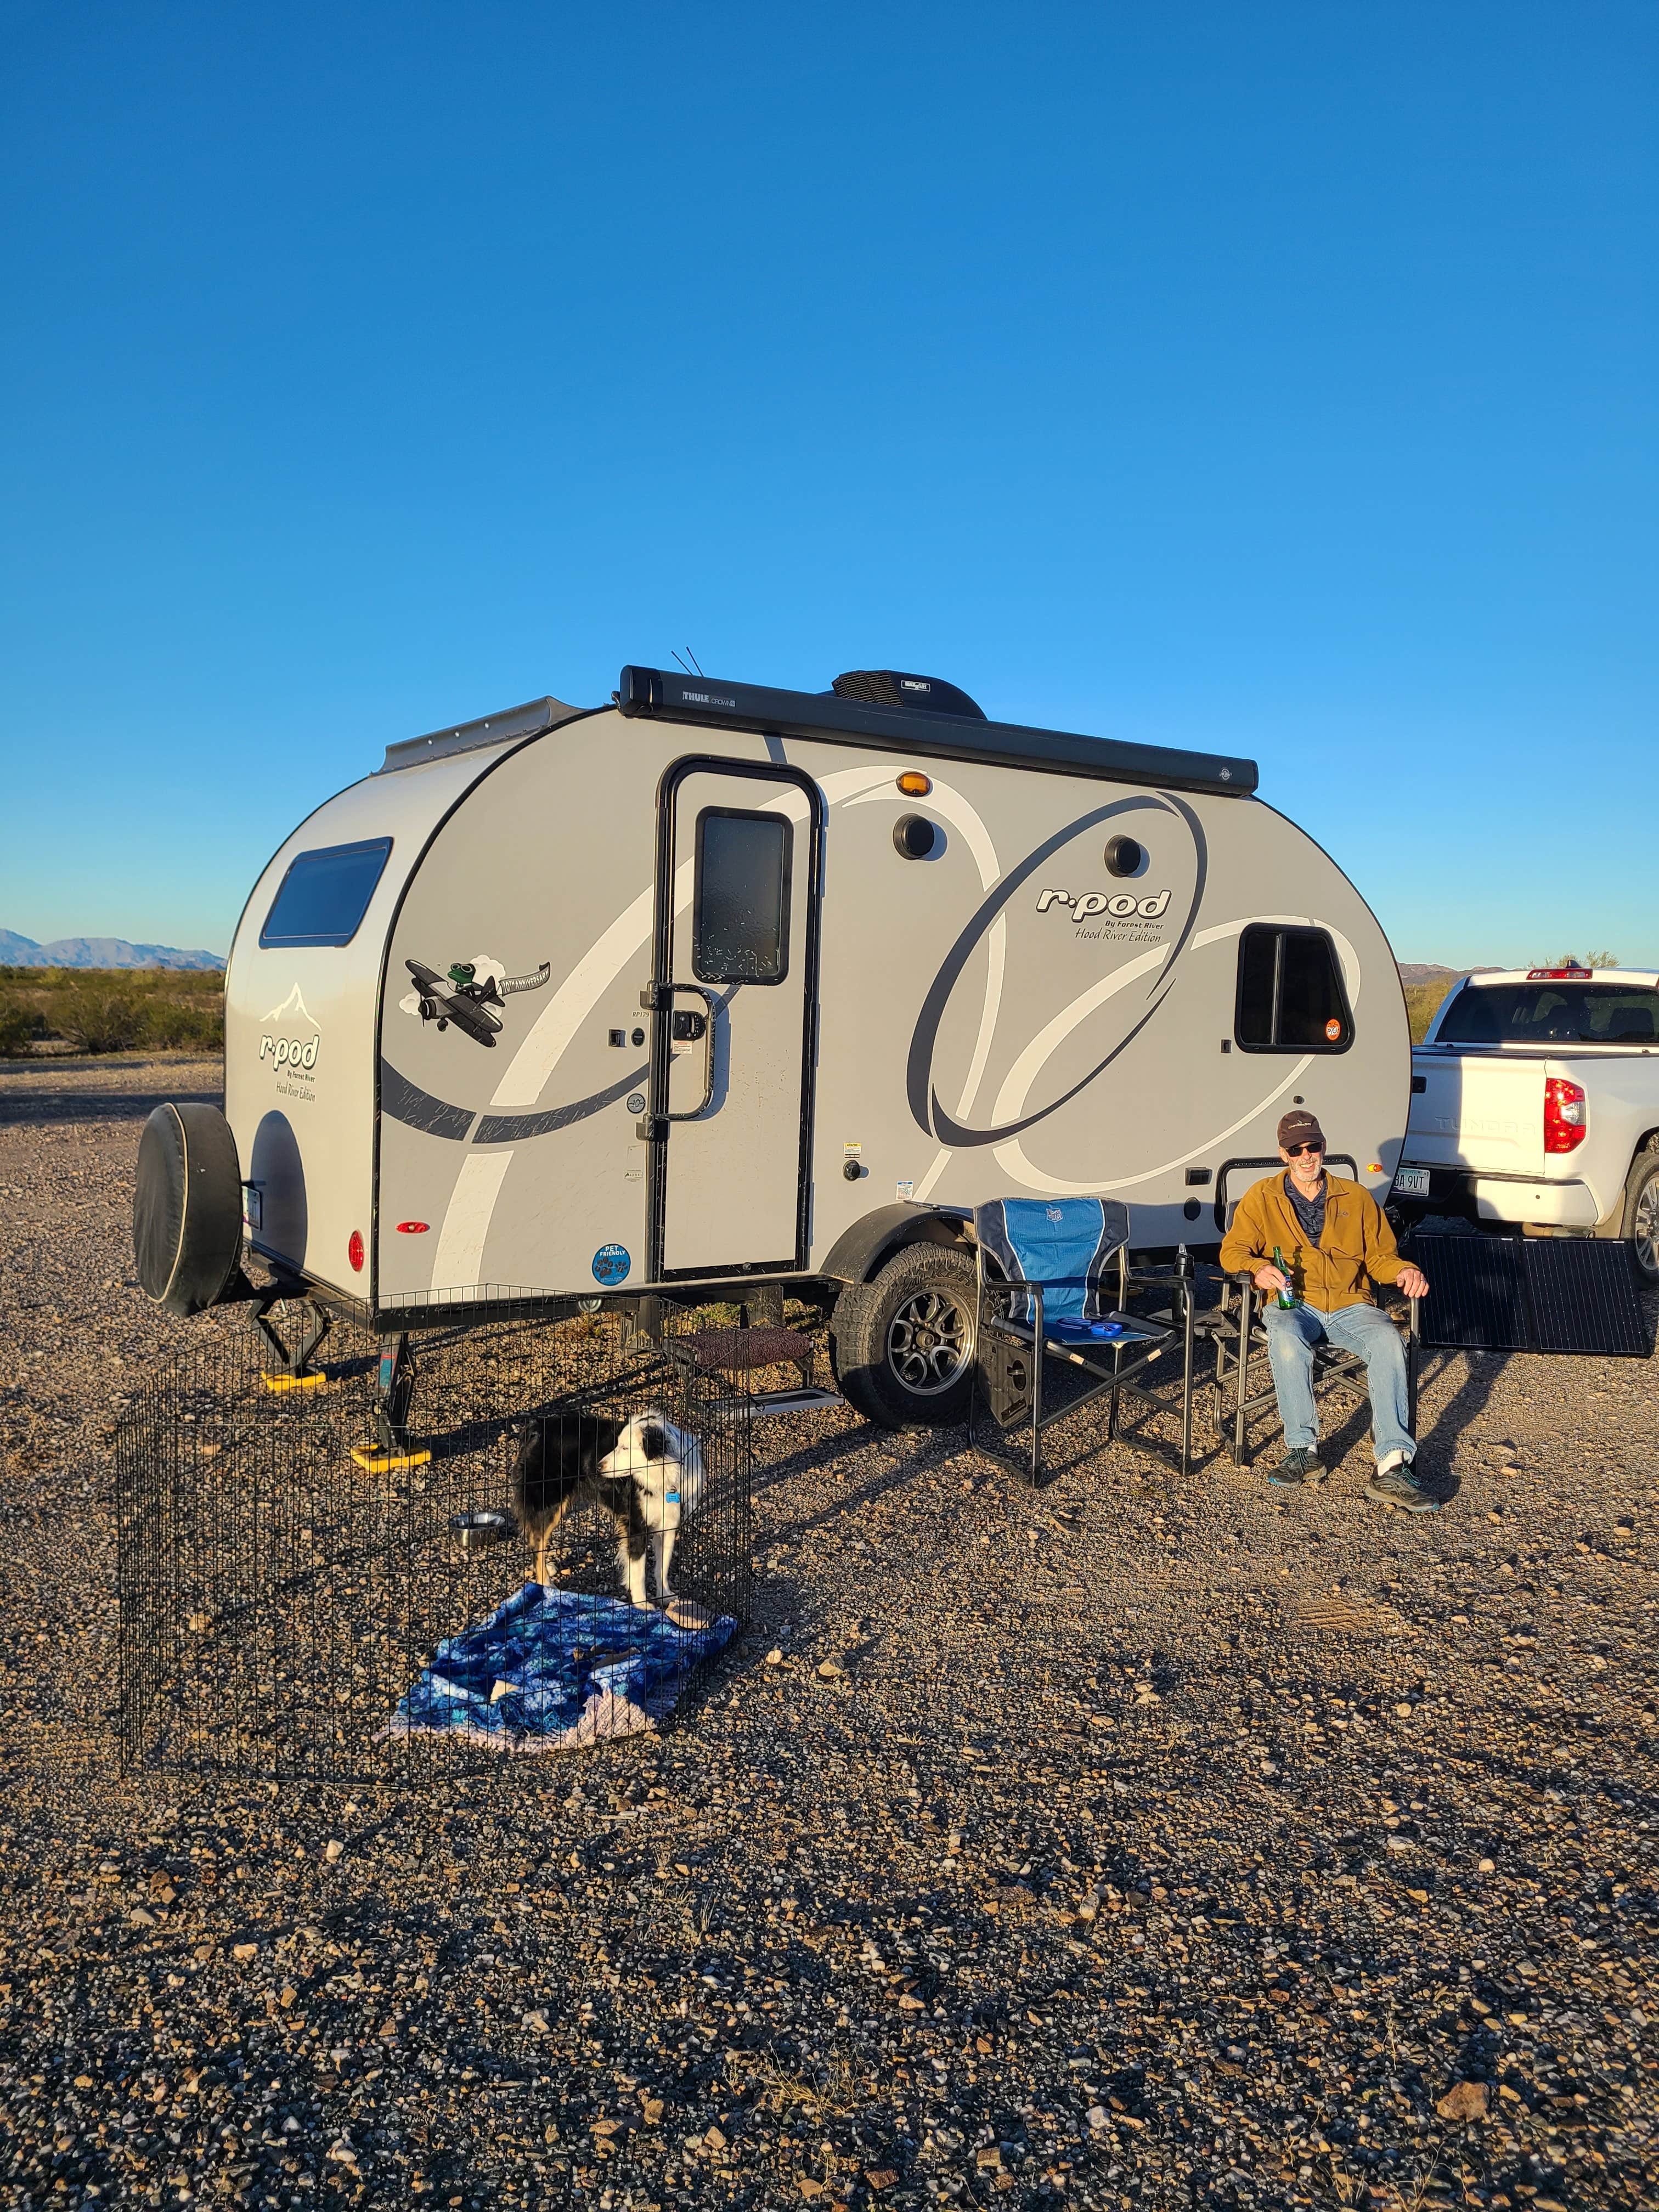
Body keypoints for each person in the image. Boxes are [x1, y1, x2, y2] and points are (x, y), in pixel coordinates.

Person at [1217, 1109, 1435, 1509]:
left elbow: (1381, 1257)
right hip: (1294, 1304)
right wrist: (1258, 1267)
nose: (1305, 1156)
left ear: (1324, 1148)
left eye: (1312, 1147)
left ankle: (1392, 1465)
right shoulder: (1261, 1196)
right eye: (1295, 1149)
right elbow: (1231, 1252)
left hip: (1352, 1303)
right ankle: (1303, 1451)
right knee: (1284, 1334)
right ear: (1283, 1154)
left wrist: (1405, 1269)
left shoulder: (1356, 1197)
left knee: (1388, 1338)